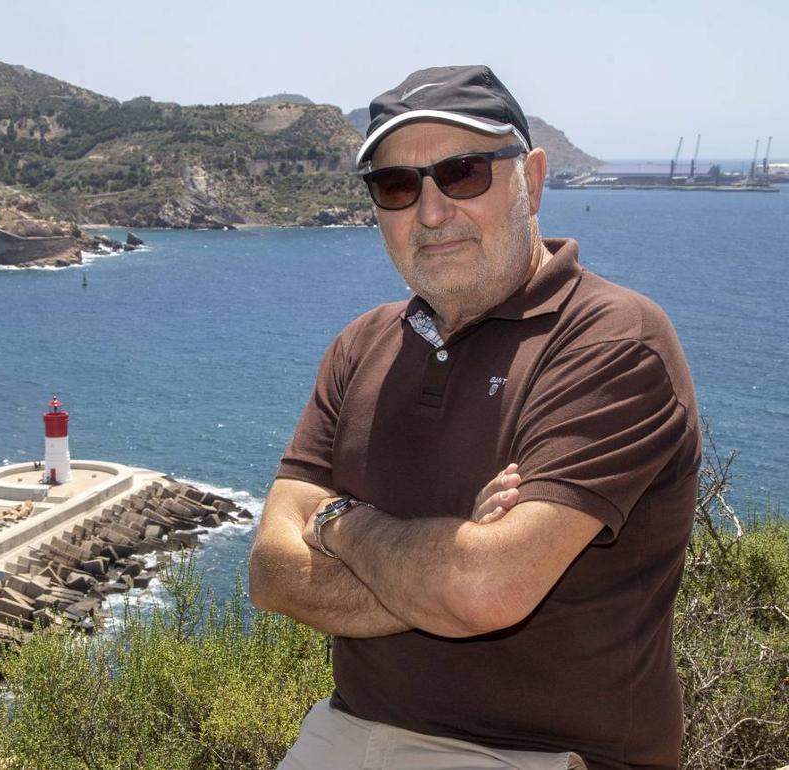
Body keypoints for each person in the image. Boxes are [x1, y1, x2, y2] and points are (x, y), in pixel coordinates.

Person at [248, 65, 700, 770]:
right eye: (398, 186)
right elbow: (272, 573)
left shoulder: (613, 341)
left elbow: (483, 591)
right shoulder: (361, 345)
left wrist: (340, 522)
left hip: (545, 757)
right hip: (346, 733)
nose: (430, 213)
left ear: (534, 178)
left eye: (462, 173)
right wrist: (451, 567)